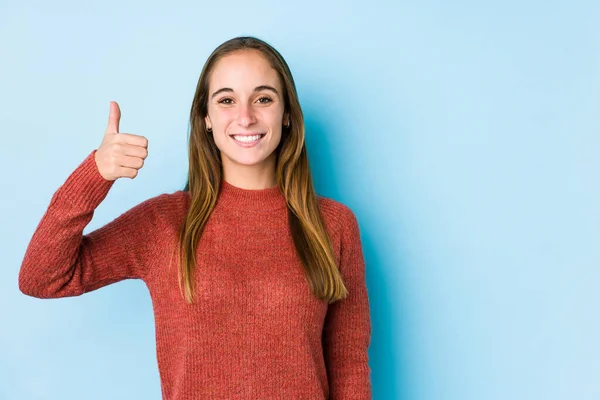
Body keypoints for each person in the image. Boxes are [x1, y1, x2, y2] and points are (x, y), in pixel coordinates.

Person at [18, 36, 372, 400]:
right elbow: (42, 279)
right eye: (226, 100)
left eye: (263, 98)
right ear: (206, 118)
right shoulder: (163, 223)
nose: (245, 116)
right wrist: (95, 173)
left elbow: (348, 366)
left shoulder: (333, 225)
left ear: (286, 115)